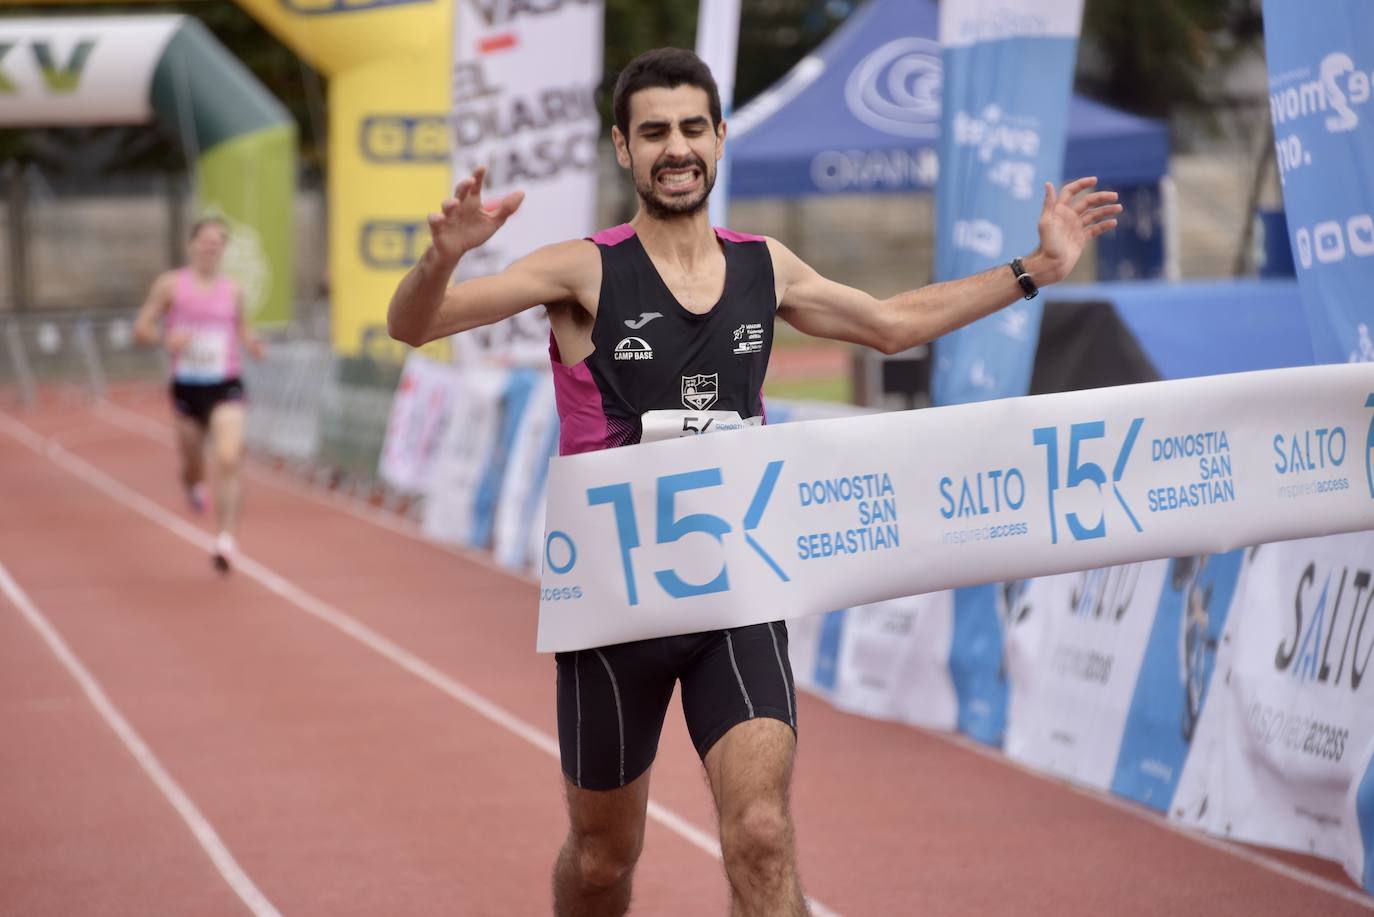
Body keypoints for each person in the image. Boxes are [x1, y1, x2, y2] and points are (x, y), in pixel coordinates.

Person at [387, 47, 1120, 916]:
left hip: (734, 588)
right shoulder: (582, 269)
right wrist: (442, 259)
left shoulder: (763, 267)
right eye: (653, 131)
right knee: (600, 860)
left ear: (721, 138)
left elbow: (889, 325)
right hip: (613, 605)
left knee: (762, 832)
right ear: (623, 149)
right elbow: (415, 324)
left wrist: (1035, 268)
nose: (676, 148)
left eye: (692, 127)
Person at [135, 216, 264, 574]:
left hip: (225, 384)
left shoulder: (233, 290)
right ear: (192, 244)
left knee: (228, 457)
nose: (210, 248)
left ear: (223, 249)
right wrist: (165, 339)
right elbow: (142, 328)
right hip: (188, 387)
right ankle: (192, 483)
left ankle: (225, 539)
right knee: (193, 461)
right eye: (204, 241)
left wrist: (252, 344)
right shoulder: (171, 285)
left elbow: (242, 328)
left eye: (217, 243)